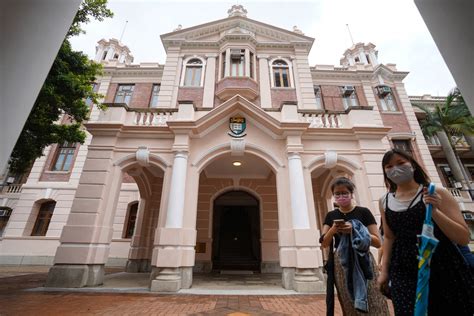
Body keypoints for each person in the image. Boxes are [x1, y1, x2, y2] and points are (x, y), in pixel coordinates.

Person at [377, 149, 474, 315]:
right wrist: (385, 272)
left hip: (441, 265)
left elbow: (463, 237)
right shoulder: (385, 201)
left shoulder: (436, 192)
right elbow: (389, 237)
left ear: (413, 165)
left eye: (401, 163)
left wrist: (434, 211)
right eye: (389, 166)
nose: (395, 169)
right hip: (403, 269)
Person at [320, 177, 389, 316]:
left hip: (364, 260)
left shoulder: (363, 212)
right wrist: (333, 229)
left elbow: (377, 241)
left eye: (344, 192)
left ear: (352, 194)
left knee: (374, 300)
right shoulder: (331, 215)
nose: (341, 196)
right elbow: (323, 243)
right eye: (337, 194)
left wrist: (356, 230)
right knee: (349, 302)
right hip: (342, 263)